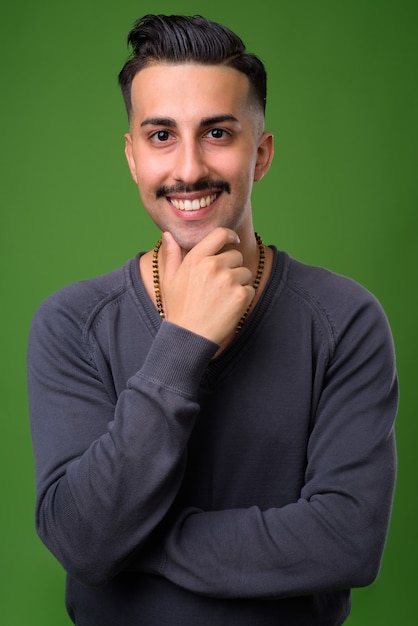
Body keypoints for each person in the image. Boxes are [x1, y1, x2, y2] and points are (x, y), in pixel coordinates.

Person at [27, 14, 398, 626]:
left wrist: (133, 544)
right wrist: (184, 343)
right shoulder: (72, 324)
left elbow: (348, 541)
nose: (189, 168)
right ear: (132, 156)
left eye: (218, 133)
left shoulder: (344, 319)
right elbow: (82, 541)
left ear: (262, 154)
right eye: (161, 135)